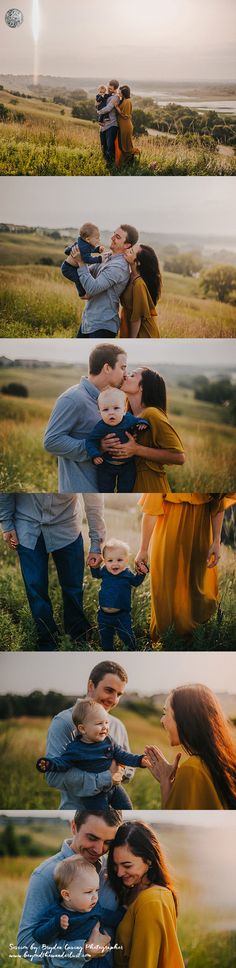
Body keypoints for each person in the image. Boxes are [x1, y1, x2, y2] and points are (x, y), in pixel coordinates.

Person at [17, 808, 121, 968]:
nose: (99, 850)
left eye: (108, 842)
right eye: (92, 838)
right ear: (74, 827)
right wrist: (83, 950)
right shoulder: (45, 875)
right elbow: (26, 946)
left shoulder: (114, 868)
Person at [0, 493, 105, 651]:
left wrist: (96, 544)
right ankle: (46, 640)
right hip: (27, 525)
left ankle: (77, 638)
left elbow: (94, 500)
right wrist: (7, 524)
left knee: (73, 587)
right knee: (35, 589)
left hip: (67, 527)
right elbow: (8, 484)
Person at [135, 492, 236, 637]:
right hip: (169, 526)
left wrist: (216, 541)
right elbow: (151, 509)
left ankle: (192, 635)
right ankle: (166, 638)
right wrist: (143, 549)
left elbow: (217, 506)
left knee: (197, 587)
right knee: (166, 584)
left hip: (201, 529)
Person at [44, 660, 136, 810]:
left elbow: (129, 772)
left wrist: (121, 769)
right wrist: (106, 777)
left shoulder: (118, 725)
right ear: (91, 686)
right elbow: (52, 776)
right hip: (79, 812)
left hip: (114, 814)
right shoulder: (64, 722)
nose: (114, 699)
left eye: (119, 694)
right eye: (109, 690)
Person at [44, 344, 127, 493]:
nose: (125, 374)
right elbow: (51, 441)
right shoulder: (73, 398)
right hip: (81, 489)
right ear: (107, 368)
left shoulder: (109, 400)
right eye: (122, 367)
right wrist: (96, 447)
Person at [37, 698, 146, 810]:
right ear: (83, 729)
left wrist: (140, 760)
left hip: (114, 788)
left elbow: (124, 756)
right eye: (99, 723)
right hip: (93, 794)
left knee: (127, 808)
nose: (105, 727)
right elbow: (63, 762)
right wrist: (49, 764)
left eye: (106, 722)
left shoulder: (109, 741)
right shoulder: (76, 748)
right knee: (101, 815)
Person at [144, 685, 236, 809]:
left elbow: (173, 817)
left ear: (184, 717)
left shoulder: (191, 770)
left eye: (165, 713)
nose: (162, 720)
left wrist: (166, 782)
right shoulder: (225, 761)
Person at [108, 820, 184, 968]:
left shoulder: (152, 901)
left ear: (149, 860)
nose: (119, 873)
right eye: (115, 865)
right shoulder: (133, 889)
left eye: (127, 865)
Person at [33, 854, 125, 965]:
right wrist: (56, 924)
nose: (95, 896)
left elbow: (112, 918)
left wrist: (124, 909)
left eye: (96, 890)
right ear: (67, 895)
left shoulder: (95, 908)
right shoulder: (57, 913)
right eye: (88, 892)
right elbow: (39, 936)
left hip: (99, 962)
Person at [105, 368, 185, 493]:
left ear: (142, 387)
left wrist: (136, 449)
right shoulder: (128, 415)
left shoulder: (152, 414)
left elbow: (179, 457)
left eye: (132, 375)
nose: (125, 376)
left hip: (150, 486)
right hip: (130, 484)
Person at [61, 225, 138, 338]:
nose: (112, 238)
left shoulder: (118, 267)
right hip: (89, 322)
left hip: (102, 326)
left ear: (127, 245)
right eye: (113, 234)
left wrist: (81, 262)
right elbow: (87, 274)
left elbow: (92, 288)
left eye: (117, 237)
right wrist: (72, 262)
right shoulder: (107, 258)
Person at [86, 387, 149, 493]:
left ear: (124, 410)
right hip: (106, 464)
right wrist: (95, 454)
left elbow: (138, 420)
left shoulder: (128, 419)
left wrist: (142, 423)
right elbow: (90, 441)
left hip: (127, 465)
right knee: (105, 489)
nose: (111, 413)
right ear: (99, 412)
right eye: (105, 409)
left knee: (126, 489)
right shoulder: (100, 427)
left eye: (116, 408)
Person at [90, 539, 147, 650]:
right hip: (103, 615)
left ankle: (132, 651)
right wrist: (94, 566)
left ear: (126, 560)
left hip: (122, 615)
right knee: (106, 640)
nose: (115, 564)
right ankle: (109, 654)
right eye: (110, 560)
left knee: (127, 636)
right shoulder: (104, 571)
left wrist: (142, 573)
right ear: (104, 561)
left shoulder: (127, 574)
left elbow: (136, 582)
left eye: (119, 560)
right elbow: (96, 574)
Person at [120, 244, 162, 338]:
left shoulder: (139, 284)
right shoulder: (130, 276)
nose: (127, 251)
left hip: (143, 333)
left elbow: (137, 318)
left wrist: (132, 341)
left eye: (131, 252)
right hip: (128, 326)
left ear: (138, 262)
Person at [64, 223, 105, 296]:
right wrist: (99, 259)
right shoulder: (84, 247)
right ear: (88, 239)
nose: (99, 240)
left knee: (81, 277)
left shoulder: (84, 243)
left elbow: (88, 251)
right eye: (97, 238)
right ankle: (82, 294)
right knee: (79, 279)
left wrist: (98, 250)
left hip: (73, 267)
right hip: (68, 268)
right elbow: (87, 259)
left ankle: (68, 250)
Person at [97, 79, 120, 165]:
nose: (109, 90)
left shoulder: (116, 97)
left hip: (111, 125)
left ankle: (111, 165)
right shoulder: (105, 96)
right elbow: (97, 104)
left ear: (115, 89)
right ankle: (104, 164)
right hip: (102, 126)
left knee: (110, 147)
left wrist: (99, 112)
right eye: (108, 88)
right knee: (103, 146)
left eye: (111, 89)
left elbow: (108, 108)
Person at [115, 85, 136, 165]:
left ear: (124, 93)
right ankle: (126, 162)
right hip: (122, 126)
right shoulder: (123, 100)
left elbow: (125, 115)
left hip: (126, 126)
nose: (118, 93)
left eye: (120, 92)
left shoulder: (128, 101)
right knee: (123, 144)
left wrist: (116, 107)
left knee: (125, 145)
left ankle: (130, 161)